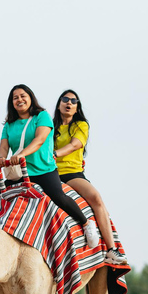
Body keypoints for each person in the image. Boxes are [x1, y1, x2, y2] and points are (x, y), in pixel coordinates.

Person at [0, 84, 100, 248]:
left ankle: (86, 224)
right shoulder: (9, 125)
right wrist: (1, 158)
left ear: (30, 98)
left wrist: (21, 155)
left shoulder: (42, 117)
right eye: (15, 97)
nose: (19, 100)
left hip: (43, 170)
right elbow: (3, 147)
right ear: (12, 103)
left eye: (23, 96)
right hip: (19, 173)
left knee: (59, 197)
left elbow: (39, 140)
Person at [52, 89, 127, 264]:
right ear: (59, 104)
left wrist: (54, 154)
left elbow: (74, 145)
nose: (69, 103)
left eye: (73, 100)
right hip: (51, 173)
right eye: (65, 99)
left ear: (77, 108)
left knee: (96, 199)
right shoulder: (49, 127)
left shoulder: (81, 125)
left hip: (71, 173)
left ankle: (111, 250)